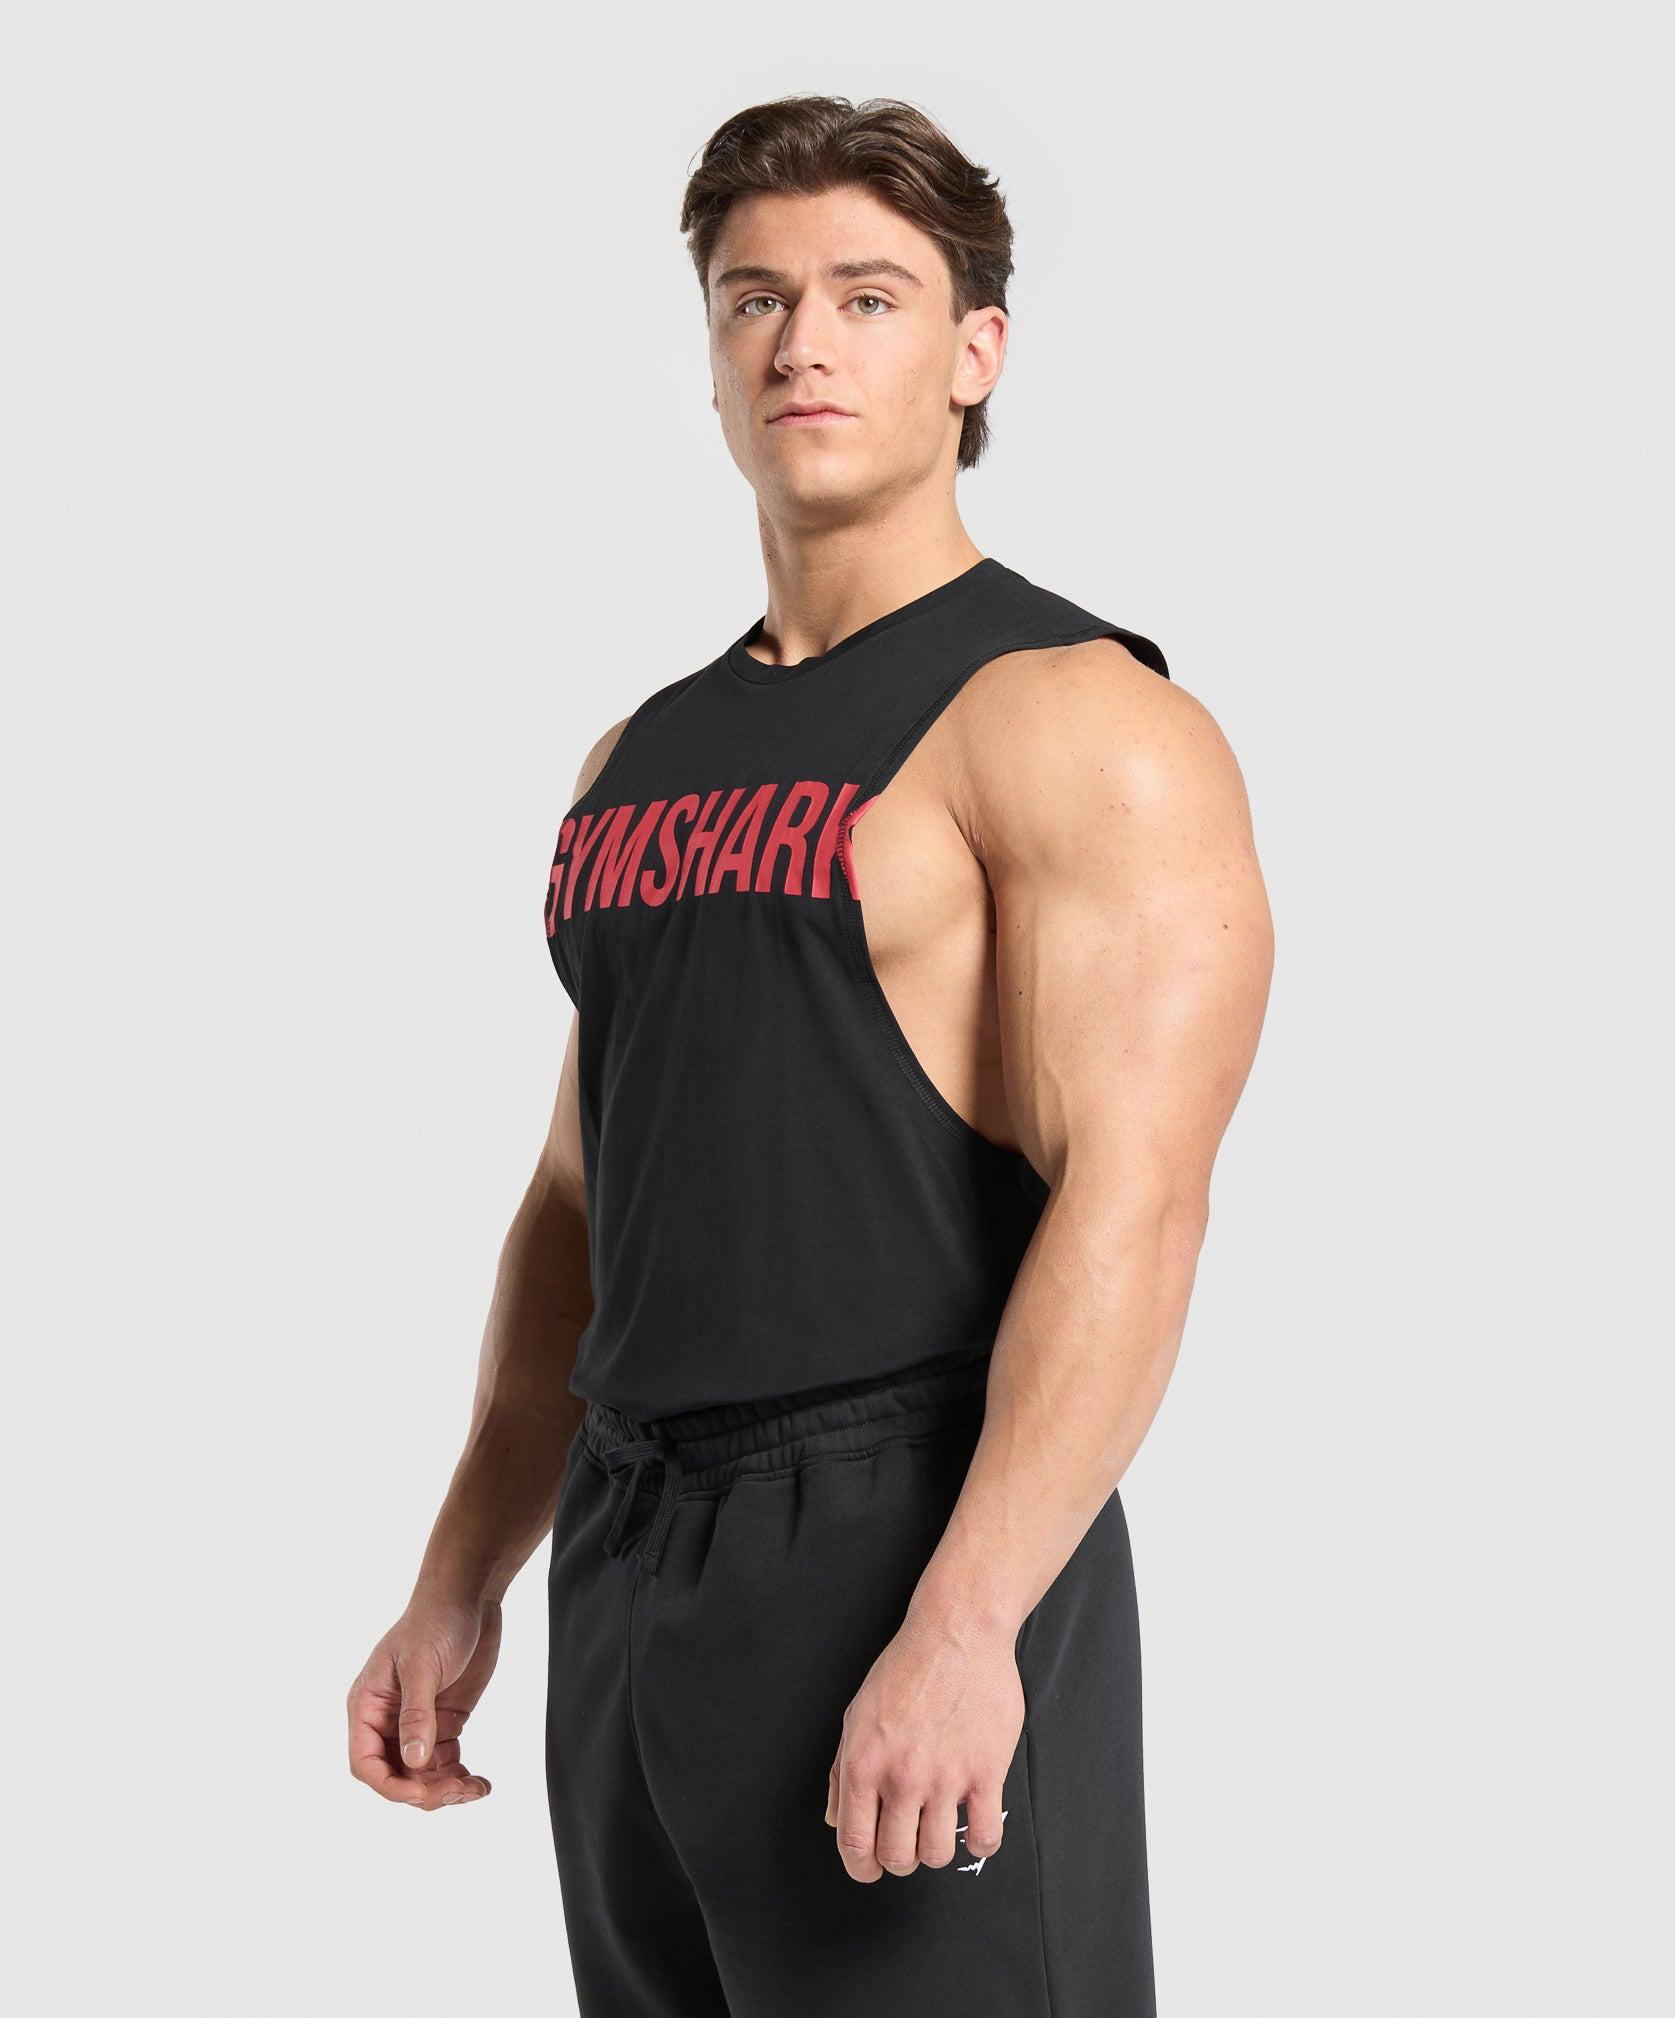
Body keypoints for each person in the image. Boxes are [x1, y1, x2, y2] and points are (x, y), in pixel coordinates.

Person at [348, 93, 1273, 2016]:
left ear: (975, 351)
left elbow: (1139, 1204)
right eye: (754, 299)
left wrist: (970, 1618)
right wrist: (462, 1572)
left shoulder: (1077, 720)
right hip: (629, 1538)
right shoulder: (636, 758)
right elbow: (580, 1202)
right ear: (710, 357)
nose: (802, 344)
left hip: (900, 1522)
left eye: (869, 295)